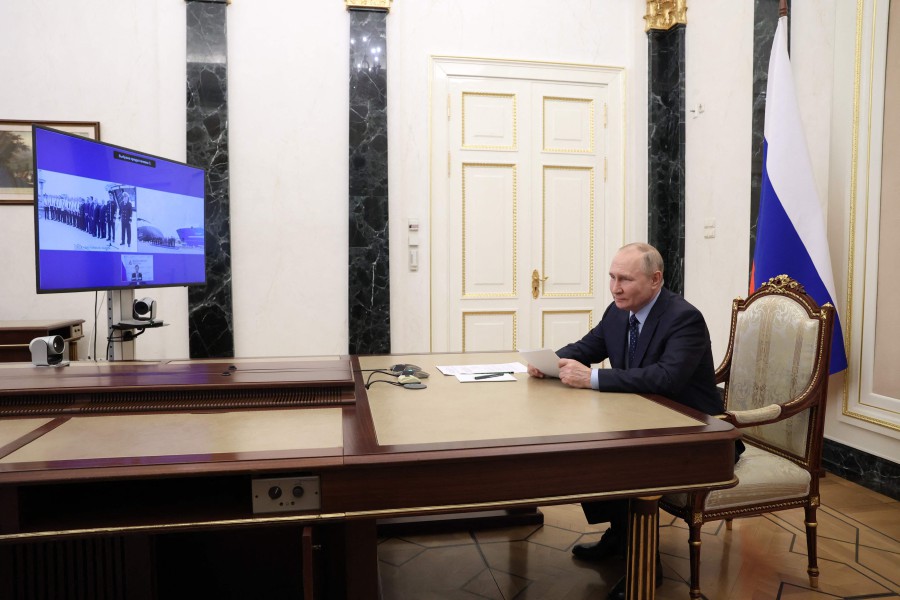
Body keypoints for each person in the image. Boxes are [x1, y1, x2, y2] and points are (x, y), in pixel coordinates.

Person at [527, 242, 741, 600]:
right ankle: (619, 533)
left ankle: (645, 567)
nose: (615, 287)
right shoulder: (618, 311)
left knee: (624, 461)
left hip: (699, 434)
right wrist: (550, 362)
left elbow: (665, 379)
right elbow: (587, 347)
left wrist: (591, 379)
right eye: (612, 277)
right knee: (589, 448)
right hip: (642, 423)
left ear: (656, 279)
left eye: (625, 279)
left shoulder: (683, 318)